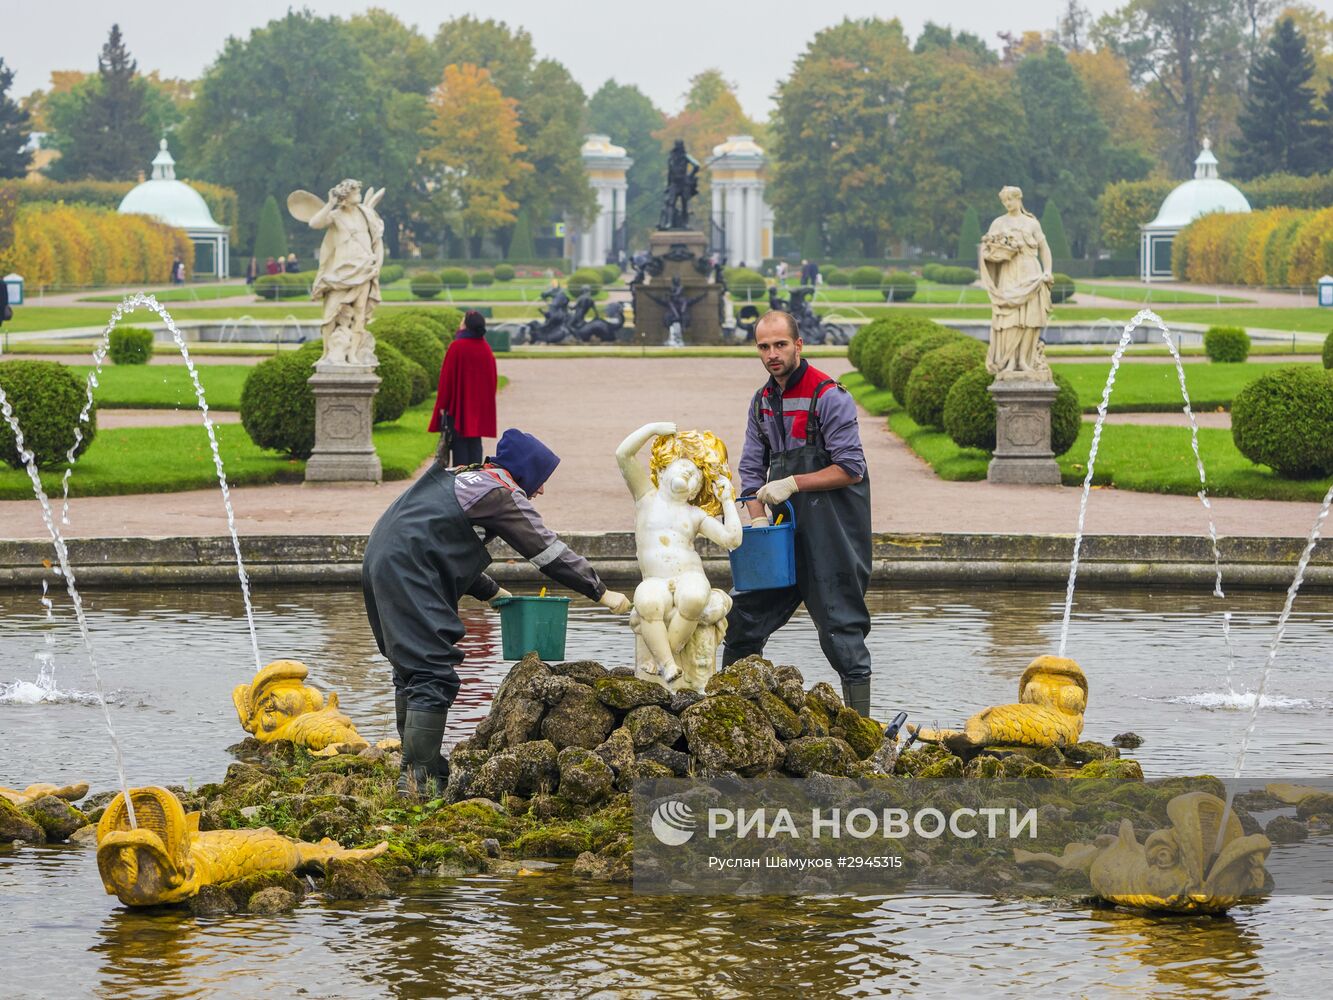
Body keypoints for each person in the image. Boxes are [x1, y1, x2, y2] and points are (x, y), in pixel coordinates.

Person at [362, 429, 632, 798]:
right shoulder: (500, 493)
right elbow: (546, 551)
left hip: (380, 560)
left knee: (409, 667)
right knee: (431, 672)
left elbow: (438, 538)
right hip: (409, 568)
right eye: (539, 481)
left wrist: (491, 591)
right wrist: (600, 591)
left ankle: (419, 771)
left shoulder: (465, 475)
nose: (539, 491)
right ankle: (417, 785)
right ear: (525, 472)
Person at [724, 309, 873, 716]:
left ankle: (862, 732)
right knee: (743, 620)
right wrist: (755, 518)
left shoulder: (829, 395)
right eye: (764, 346)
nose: (772, 354)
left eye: (780, 345)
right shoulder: (762, 402)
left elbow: (850, 468)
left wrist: (793, 483)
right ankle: (729, 716)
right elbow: (752, 472)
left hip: (834, 533)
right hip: (780, 534)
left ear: (798, 345)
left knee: (841, 633)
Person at [429, 310, 496, 467]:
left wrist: (442, 405)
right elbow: (491, 379)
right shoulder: (485, 348)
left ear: (466, 326)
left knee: (459, 444)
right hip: (478, 407)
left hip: (458, 407)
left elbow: (446, 380)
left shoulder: (457, 347)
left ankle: (461, 483)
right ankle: (475, 479)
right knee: (475, 443)